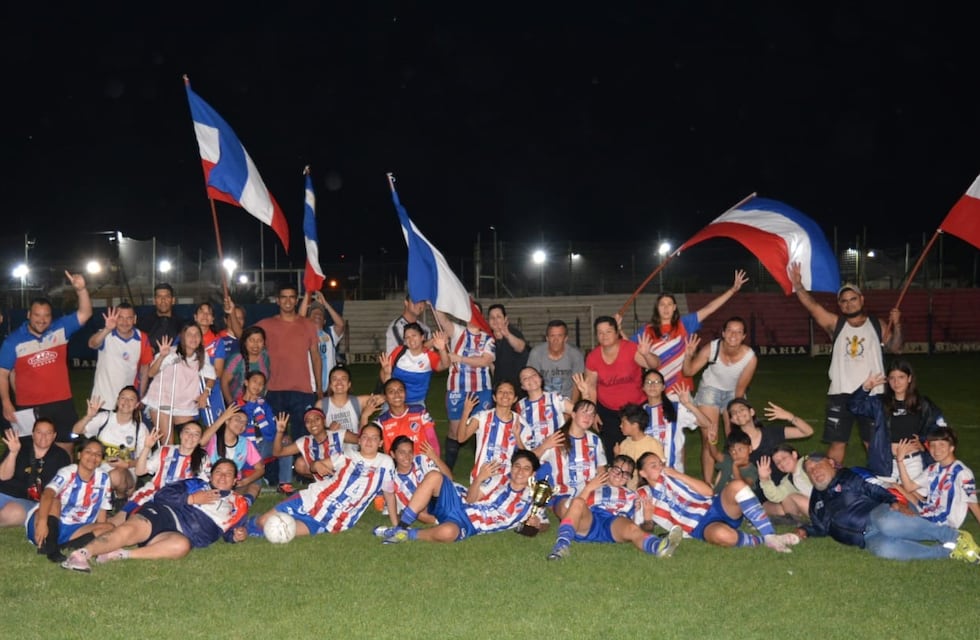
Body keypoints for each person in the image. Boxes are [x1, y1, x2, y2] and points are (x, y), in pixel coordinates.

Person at [789, 264, 902, 464]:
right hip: (841, 393)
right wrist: (798, 286)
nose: (849, 304)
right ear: (840, 305)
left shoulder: (878, 324)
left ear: (862, 300)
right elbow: (813, 307)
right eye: (844, 301)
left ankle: (881, 482)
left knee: (872, 443)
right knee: (837, 443)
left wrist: (897, 323)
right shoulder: (836, 324)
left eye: (853, 299)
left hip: (873, 394)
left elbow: (896, 348)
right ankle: (834, 484)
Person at [61, 458, 250, 572]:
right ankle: (82, 554)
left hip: (182, 535)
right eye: (218, 472)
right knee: (129, 531)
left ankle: (120, 554)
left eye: (228, 474)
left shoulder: (238, 504)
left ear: (235, 481)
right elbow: (163, 494)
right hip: (164, 514)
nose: (223, 476)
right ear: (210, 476)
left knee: (181, 547)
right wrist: (191, 499)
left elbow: (228, 530)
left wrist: (235, 536)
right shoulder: (196, 484)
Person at [798, 452, 980, 563]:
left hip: (879, 513)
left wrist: (894, 501)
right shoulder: (816, 500)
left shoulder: (848, 475)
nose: (814, 471)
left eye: (817, 465)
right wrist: (804, 531)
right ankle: (947, 551)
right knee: (884, 550)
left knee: (886, 522)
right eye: (810, 470)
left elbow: (876, 486)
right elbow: (821, 527)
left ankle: (954, 536)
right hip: (866, 537)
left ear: (831, 463)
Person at [247, 423, 398, 537]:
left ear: (380, 443)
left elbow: (389, 494)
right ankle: (250, 522)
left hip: (334, 519)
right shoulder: (347, 455)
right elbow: (314, 466)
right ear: (359, 440)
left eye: (374, 438)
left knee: (282, 533)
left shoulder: (385, 463)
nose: (369, 441)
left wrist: (396, 524)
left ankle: (251, 530)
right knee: (263, 522)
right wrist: (317, 464)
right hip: (312, 499)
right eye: (365, 437)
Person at [0, 272, 93, 456]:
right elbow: (2, 373)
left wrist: (81, 290)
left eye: (46, 316)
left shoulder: (60, 329)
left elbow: (85, 313)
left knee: (66, 446)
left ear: (52, 317)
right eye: (36, 315)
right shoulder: (13, 341)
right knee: (31, 451)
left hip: (61, 402)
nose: (41, 320)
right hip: (29, 406)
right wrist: (6, 403)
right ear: (28, 315)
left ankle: (64, 483)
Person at [634, 451, 800, 553]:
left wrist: (678, 474)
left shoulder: (673, 477)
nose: (660, 467)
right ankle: (765, 541)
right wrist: (648, 518)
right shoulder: (643, 495)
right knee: (722, 536)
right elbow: (643, 529)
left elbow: (708, 492)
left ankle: (770, 535)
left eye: (660, 463)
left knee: (737, 485)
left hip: (714, 506)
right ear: (642, 473)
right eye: (653, 465)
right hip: (700, 526)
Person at [373, 449, 546, 544]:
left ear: (533, 472)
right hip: (459, 504)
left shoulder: (535, 498)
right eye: (517, 466)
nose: (520, 471)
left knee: (448, 532)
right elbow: (471, 499)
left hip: (469, 524)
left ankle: (407, 534)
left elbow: (543, 524)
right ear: (512, 467)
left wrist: (537, 524)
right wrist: (479, 479)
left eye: (526, 468)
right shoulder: (499, 480)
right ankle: (401, 526)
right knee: (434, 476)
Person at [629, 269, 748, 396]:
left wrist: (732, 290)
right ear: (657, 308)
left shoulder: (685, 323)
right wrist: (618, 329)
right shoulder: (647, 330)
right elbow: (628, 347)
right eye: (662, 304)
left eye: (669, 304)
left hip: (682, 389)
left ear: (675, 307)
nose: (666, 308)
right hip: (657, 390)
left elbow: (709, 308)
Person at [546, 457, 683, 561]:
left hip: (614, 523)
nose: (620, 475)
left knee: (632, 529)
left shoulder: (632, 495)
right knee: (577, 502)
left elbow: (640, 526)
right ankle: (562, 546)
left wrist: (646, 517)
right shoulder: (593, 485)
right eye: (617, 470)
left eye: (625, 474)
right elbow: (568, 508)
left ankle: (659, 547)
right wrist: (588, 488)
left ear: (629, 478)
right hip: (590, 519)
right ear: (609, 469)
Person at [681, 317, 757, 478]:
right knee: (710, 437)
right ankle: (708, 484)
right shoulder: (712, 348)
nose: (733, 335)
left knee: (734, 438)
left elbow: (740, 390)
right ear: (723, 333)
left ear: (744, 336)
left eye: (738, 331)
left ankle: (732, 477)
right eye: (730, 330)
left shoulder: (750, 357)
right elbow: (689, 372)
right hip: (710, 389)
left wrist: (734, 414)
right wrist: (688, 356)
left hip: (733, 393)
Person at [849, 360, 946, 483]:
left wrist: (924, 445)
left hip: (913, 463)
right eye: (892, 378)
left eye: (901, 377)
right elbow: (853, 406)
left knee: (914, 500)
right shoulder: (879, 403)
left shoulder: (922, 404)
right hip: (886, 464)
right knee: (886, 500)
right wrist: (865, 388)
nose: (896, 382)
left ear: (909, 378)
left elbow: (939, 431)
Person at [27, 438, 114, 562]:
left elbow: (103, 509)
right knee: (55, 501)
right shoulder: (68, 472)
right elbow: (47, 494)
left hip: (76, 529)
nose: (93, 457)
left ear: (101, 460)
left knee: (109, 528)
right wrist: (42, 522)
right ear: (79, 454)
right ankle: (51, 547)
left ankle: (61, 548)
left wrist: (100, 531)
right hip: (49, 523)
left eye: (98, 454)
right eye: (88, 452)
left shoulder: (104, 478)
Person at [585, 315, 659, 459]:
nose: (604, 336)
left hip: (635, 408)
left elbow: (654, 365)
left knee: (641, 449)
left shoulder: (630, 348)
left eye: (608, 331)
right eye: (600, 332)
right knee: (615, 452)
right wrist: (593, 412)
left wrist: (646, 354)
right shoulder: (593, 357)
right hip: (608, 412)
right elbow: (591, 387)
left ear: (616, 332)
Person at [256, 283, 322, 443]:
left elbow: (315, 356)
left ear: (296, 300)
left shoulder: (308, 325)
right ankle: (276, 468)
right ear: (277, 301)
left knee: (303, 438)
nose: (287, 301)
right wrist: (231, 314)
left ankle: (300, 467)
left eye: (291, 297)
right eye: (284, 297)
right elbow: (244, 337)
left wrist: (319, 387)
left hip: (303, 391)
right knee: (275, 438)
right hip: (274, 390)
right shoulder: (266, 325)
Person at [435, 305, 496, 471]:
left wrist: (459, 358)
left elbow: (485, 361)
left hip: (481, 390)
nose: (471, 315)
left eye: (475, 311)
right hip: (457, 389)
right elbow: (442, 319)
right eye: (468, 311)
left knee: (479, 429)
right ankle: (448, 468)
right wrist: (436, 301)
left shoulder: (488, 337)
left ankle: (480, 467)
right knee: (455, 430)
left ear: (479, 315)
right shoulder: (458, 331)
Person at [71, 386, 150, 508]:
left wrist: (127, 464)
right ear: (118, 401)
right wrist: (89, 416)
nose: (126, 402)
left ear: (137, 405)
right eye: (123, 398)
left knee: (116, 475)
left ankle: (120, 497)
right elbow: (76, 430)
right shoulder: (105, 417)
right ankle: (106, 493)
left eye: (131, 399)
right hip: (99, 468)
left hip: (125, 472)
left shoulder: (140, 429)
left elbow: (144, 460)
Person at [710, 398, 814, 487]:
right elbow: (725, 466)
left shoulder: (771, 432)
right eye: (733, 412)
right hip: (757, 490)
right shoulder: (735, 442)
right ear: (732, 420)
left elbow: (807, 432)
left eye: (742, 409)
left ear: (751, 412)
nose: (738, 413)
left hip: (784, 485)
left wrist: (789, 416)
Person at [142, 324, 216, 444]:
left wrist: (205, 393)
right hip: (163, 400)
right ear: (182, 337)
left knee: (191, 440)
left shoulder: (202, 355)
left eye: (197, 334)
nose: (193, 337)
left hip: (185, 404)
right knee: (167, 443)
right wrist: (161, 356)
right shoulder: (170, 352)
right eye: (189, 334)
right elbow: (151, 373)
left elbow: (212, 376)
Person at [894, 427, 980, 529]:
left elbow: (972, 503)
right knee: (893, 493)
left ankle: (950, 536)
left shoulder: (962, 473)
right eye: (932, 445)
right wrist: (900, 461)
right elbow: (909, 487)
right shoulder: (933, 468)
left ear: (952, 448)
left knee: (891, 522)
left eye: (941, 445)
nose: (936, 450)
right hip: (927, 511)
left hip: (943, 523)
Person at [123, 421, 211, 521]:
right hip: (151, 494)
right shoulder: (165, 450)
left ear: (200, 439)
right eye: (187, 432)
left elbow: (204, 486)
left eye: (196, 434)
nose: (190, 436)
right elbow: (139, 471)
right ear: (181, 434)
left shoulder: (202, 458)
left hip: (177, 502)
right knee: (121, 520)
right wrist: (147, 447)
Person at [539, 399, 607, 519]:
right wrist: (544, 446)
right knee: (568, 511)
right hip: (564, 494)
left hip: (590, 491)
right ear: (573, 414)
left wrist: (601, 487)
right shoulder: (557, 438)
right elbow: (529, 461)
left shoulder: (595, 440)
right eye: (584, 412)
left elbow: (601, 469)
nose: (588, 417)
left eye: (592, 414)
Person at [458, 381, 527, 496]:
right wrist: (466, 412)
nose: (505, 395)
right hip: (482, 476)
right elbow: (461, 438)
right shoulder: (482, 417)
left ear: (515, 398)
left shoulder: (521, 423)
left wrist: (518, 437)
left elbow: (526, 457)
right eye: (501, 392)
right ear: (494, 397)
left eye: (509, 392)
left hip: (508, 478)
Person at [0, 419, 71, 528]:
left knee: (13, 514)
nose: (43, 437)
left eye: (48, 433)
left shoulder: (61, 457)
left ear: (54, 435)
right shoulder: (19, 445)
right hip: (4, 492)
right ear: (33, 434)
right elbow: (4, 476)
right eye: (39, 432)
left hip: (27, 500)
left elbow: (61, 489)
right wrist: (13, 453)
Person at [640, 369, 714, 474]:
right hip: (649, 473)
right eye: (648, 382)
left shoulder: (676, 408)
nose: (652, 385)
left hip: (675, 471)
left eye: (657, 382)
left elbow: (706, 423)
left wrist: (688, 405)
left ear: (663, 387)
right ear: (643, 387)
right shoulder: (639, 413)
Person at [88, 302, 153, 401]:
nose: (124, 322)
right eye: (120, 318)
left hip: (127, 402)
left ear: (135, 319)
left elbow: (144, 370)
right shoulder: (106, 334)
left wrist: (140, 396)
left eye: (129, 318)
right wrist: (107, 329)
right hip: (102, 400)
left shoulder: (142, 338)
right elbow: (92, 344)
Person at [200, 406, 265, 502]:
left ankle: (244, 504)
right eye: (238, 420)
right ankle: (230, 500)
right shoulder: (213, 438)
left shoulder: (245, 443)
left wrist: (245, 481)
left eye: (244, 423)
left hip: (231, 484)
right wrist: (222, 418)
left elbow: (260, 469)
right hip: (210, 482)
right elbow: (201, 443)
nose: (241, 425)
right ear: (227, 420)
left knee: (255, 483)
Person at [389, 435, 456, 523]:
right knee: (416, 512)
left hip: (443, 495)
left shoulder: (421, 460)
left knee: (433, 476)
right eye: (402, 452)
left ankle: (451, 516)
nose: (407, 456)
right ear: (393, 454)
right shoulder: (393, 481)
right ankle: (446, 521)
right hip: (425, 508)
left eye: (410, 452)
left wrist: (435, 457)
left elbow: (449, 478)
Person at [273, 408, 351, 483]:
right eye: (308, 421)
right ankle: (323, 481)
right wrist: (280, 432)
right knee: (300, 464)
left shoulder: (338, 434)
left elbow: (361, 439)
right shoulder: (305, 441)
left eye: (317, 419)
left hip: (346, 473)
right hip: (323, 473)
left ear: (324, 421)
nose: (313, 423)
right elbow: (278, 453)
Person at [515, 366, 583, 451]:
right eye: (525, 378)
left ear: (540, 378)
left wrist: (585, 393)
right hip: (533, 455)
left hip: (557, 452)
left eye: (533, 375)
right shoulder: (519, 406)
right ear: (522, 386)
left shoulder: (555, 398)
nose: (530, 379)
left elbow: (580, 414)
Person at [317, 365, 382, 455]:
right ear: (330, 385)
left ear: (349, 384)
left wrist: (365, 414)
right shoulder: (321, 404)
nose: (339, 382)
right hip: (331, 452)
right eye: (335, 379)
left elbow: (387, 398)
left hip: (354, 451)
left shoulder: (358, 401)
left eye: (343, 379)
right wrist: (328, 429)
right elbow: (315, 430)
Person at [379, 323, 449, 406]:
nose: (411, 340)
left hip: (416, 403)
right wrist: (387, 379)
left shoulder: (429, 356)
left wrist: (442, 349)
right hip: (394, 401)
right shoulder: (399, 351)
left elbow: (445, 365)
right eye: (407, 337)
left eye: (414, 335)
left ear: (422, 337)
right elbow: (384, 372)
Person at [370, 378, 440, 457]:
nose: (397, 394)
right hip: (398, 466)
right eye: (391, 392)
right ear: (385, 397)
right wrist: (364, 416)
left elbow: (432, 438)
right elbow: (363, 440)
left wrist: (436, 460)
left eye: (400, 390)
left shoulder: (419, 411)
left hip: (423, 463)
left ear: (405, 393)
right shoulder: (381, 422)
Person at [526, 319, 586, 403]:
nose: (555, 340)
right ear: (547, 338)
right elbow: (531, 382)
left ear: (566, 338)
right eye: (552, 336)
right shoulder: (536, 354)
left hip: (567, 401)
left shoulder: (575, 355)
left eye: (560, 336)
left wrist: (572, 409)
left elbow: (577, 385)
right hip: (543, 401)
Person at [300, 289, 346, 394]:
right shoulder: (303, 334)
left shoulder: (330, 334)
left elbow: (341, 325)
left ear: (325, 320)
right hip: (310, 387)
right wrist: (307, 294)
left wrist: (325, 304)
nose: (317, 315)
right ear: (308, 319)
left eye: (320, 313)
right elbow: (299, 320)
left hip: (331, 387)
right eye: (313, 313)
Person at [756, 444, 813, 525]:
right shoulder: (788, 480)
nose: (782, 463)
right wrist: (765, 479)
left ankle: (794, 520)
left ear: (794, 454)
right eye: (777, 462)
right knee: (772, 504)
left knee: (791, 497)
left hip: (829, 504)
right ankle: (796, 521)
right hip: (813, 508)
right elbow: (776, 496)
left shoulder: (808, 463)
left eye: (784, 458)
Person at [614, 403, 664, 489]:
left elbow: (661, 469)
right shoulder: (624, 444)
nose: (620, 426)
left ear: (635, 425)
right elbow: (621, 469)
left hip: (648, 489)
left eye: (623, 423)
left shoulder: (653, 444)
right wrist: (617, 455)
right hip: (630, 489)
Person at [192, 302, 227, 425]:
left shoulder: (218, 342)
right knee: (188, 427)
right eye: (202, 311)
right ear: (195, 316)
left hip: (211, 389)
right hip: (187, 389)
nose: (205, 315)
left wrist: (206, 391)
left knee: (216, 428)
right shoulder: (183, 338)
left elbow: (218, 372)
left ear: (212, 320)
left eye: (209, 313)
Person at [220, 325, 270, 405]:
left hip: (259, 404)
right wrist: (231, 404)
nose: (255, 344)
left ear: (264, 343)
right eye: (251, 340)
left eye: (259, 340)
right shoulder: (237, 358)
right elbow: (224, 381)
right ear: (245, 342)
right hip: (239, 406)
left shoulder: (265, 356)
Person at [487, 304, 529, 395]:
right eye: (492, 317)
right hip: (500, 388)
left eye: (498, 317)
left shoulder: (513, 333)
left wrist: (507, 335)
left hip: (518, 388)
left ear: (505, 319)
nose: (495, 320)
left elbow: (521, 347)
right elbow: (492, 366)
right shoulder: (487, 339)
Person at [137, 282, 186, 355]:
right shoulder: (143, 324)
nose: (163, 300)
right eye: (159, 297)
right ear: (154, 300)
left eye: (167, 296)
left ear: (173, 300)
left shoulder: (182, 325)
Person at [710, 428, 758, 494]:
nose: (736, 453)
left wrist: (735, 466)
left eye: (740, 449)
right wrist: (712, 442)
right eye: (732, 451)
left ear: (750, 449)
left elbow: (743, 486)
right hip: (717, 497)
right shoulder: (728, 460)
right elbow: (715, 454)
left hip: (733, 503)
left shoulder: (752, 470)